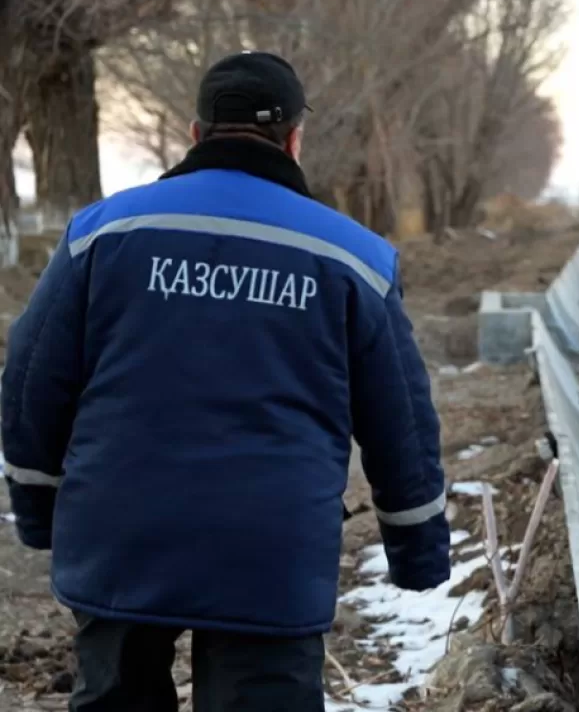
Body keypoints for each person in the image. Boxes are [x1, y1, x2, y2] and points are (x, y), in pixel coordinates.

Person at [1, 51, 451, 711]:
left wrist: (37, 512)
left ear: (195, 132)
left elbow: (32, 378)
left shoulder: (102, 234)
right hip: (270, 552)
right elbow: (401, 424)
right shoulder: (355, 259)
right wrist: (418, 554)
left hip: (121, 535)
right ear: (295, 138)